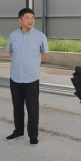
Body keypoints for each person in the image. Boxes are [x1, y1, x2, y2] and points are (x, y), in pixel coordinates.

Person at [5, 8, 49, 145]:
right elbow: (10, 51)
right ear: (20, 20)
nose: (31, 20)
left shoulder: (40, 36)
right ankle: (18, 131)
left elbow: (45, 53)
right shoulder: (13, 35)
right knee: (17, 107)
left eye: (33, 18)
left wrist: (33, 62)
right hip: (15, 77)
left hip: (31, 78)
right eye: (27, 18)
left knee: (32, 108)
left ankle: (33, 135)